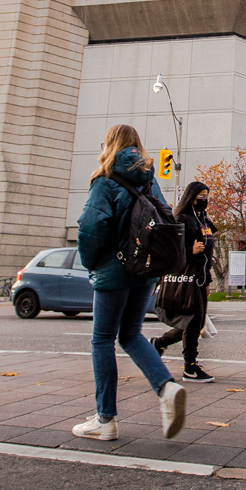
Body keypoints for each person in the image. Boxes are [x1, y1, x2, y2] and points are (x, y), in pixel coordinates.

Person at [71, 124, 186, 442]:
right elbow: (165, 217)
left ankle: (105, 419)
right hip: (144, 270)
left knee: (102, 340)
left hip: (114, 270)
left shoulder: (105, 178)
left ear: (110, 144)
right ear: (137, 145)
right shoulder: (150, 178)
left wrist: (92, 263)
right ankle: (166, 386)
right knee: (131, 334)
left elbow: (91, 227)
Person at [151, 181, 215, 383]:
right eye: (201, 197)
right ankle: (190, 366)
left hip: (200, 278)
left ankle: (160, 342)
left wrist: (207, 281)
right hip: (186, 279)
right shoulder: (182, 219)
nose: (204, 201)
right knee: (194, 322)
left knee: (193, 322)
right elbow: (170, 250)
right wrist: (190, 250)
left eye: (206, 197)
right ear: (191, 197)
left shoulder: (204, 220)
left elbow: (208, 255)